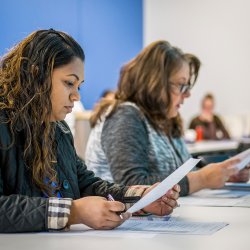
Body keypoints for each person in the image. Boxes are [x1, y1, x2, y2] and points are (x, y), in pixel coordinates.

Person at [0, 30, 180, 233]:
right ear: (35, 74)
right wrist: (74, 212)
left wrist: (140, 198)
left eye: (79, 86)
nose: (76, 96)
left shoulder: (57, 129)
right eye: (69, 83)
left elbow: (86, 184)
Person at [85, 40, 250, 196]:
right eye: (181, 85)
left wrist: (223, 174)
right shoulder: (125, 116)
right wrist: (202, 179)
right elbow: (132, 185)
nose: (187, 94)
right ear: (155, 83)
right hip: (126, 221)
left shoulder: (165, 119)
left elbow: (181, 170)